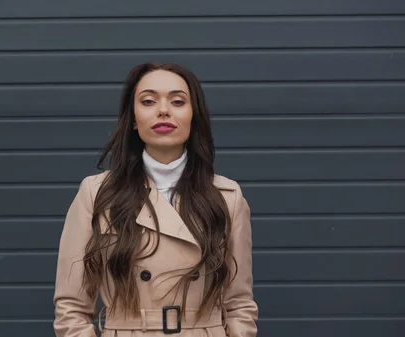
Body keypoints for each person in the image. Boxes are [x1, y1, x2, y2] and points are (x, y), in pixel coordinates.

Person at [53, 62, 258, 337]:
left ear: (193, 116)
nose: (163, 110)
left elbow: (239, 305)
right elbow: (72, 306)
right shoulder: (98, 193)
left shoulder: (226, 197)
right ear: (134, 119)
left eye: (177, 101)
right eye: (148, 101)